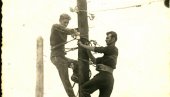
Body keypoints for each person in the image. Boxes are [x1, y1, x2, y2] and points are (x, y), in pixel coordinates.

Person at [78, 31, 119, 97]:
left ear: (113, 39)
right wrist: (88, 51)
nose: (105, 39)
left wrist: (83, 45)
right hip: (109, 79)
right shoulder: (107, 56)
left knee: (84, 89)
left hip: (103, 76)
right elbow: (94, 61)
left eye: (108, 38)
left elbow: (98, 49)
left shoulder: (113, 48)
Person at [50, 13, 79, 97]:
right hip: (56, 57)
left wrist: (75, 32)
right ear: (60, 20)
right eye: (65, 22)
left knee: (77, 63)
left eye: (67, 23)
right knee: (65, 80)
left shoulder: (64, 30)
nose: (66, 24)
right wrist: (75, 31)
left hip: (62, 57)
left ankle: (75, 76)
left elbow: (68, 31)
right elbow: (66, 30)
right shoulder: (55, 27)